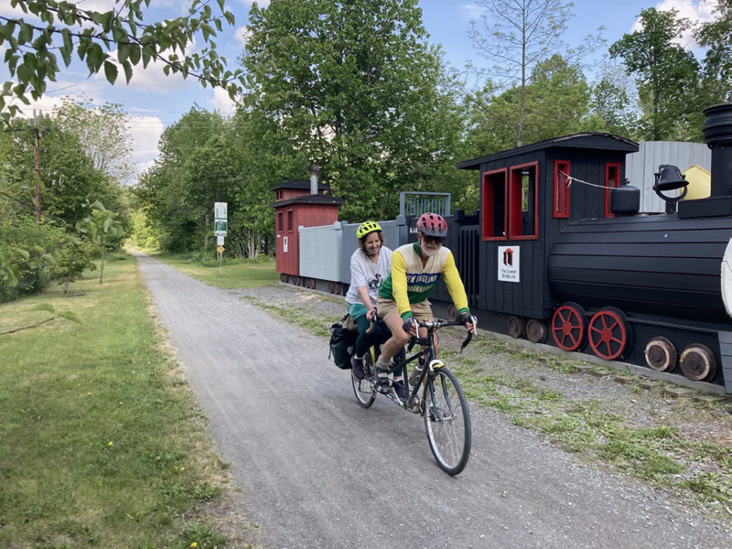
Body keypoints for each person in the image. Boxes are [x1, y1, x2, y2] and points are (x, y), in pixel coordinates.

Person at [374, 212, 476, 397]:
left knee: (433, 348)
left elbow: (455, 285)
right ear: (419, 235)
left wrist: (464, 311)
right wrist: (406, 316)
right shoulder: (401, 254)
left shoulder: (445, 255)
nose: (433, 243)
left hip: (419, 302)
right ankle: (381, 366)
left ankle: (428, 399)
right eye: (429, 238)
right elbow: (399, 288)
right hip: (391, 301)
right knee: (403, 336)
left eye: (439, 239)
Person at [344, 221, 403, 387]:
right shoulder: (357, 258)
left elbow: (397, 280)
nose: (374, 245)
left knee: (397, 333)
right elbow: (361, 288)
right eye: (370, 242)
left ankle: (396, 378)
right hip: (360, 303)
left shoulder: (388, 255)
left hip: (383, 301)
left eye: (376, 241)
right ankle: (357, 357)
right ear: (363, 243)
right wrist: (371, 309)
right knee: (372, 330)